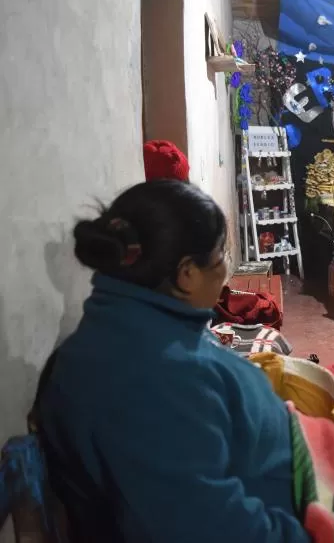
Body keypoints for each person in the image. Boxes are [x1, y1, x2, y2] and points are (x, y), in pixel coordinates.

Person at [34, 180, 310, 543]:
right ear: (187, 274)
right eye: (221, 255)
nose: (225, 267)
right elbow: (210, 527)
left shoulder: (125, 334)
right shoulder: (156, 387)